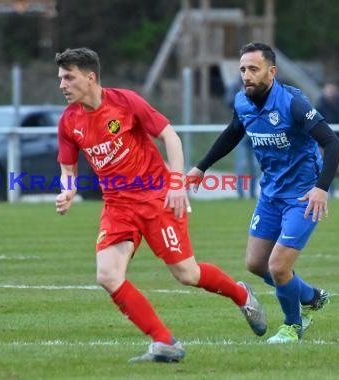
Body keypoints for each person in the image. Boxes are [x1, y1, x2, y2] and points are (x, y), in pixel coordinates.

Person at [54, 47, 267, 362]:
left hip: (156, 199)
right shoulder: (69, 121)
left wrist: (177, 183)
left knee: (187, 274)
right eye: (60, 78)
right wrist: (68, 191)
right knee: (108, 275)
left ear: (91, 77)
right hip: (117, 207)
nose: (62, 85)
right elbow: (68, 170)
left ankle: (241, 295)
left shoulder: (125, 102)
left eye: (68, 77)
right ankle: (164, 341)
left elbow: (170, 136)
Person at [187, 42, 339, 343]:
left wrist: (321, 189)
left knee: (278, 266)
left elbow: (333, 144)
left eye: (253, 69)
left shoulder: (293, 104)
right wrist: (201, 167)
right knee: (256, 264)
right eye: (243, 69)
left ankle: (293, 326)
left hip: (302, 196)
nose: (246, 75)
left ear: (271, 72)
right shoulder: (243, 102)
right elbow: (233, 132)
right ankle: (311, 296)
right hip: (271, 194)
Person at [225, 78, 259, 198]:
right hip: (244, 128)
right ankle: (242, 192)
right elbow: (229, 101)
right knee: (245, 162)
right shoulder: (239, 84)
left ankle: (251, 192)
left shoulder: (237, 84)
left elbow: (229, 101)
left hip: (253, 129)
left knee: (252, 163)